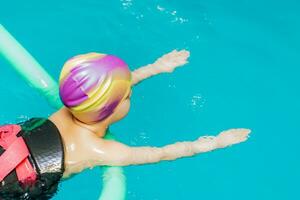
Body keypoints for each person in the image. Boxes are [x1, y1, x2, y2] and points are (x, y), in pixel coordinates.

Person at [0, 50, 250, 199]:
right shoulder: (103, 151)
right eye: (128, 96)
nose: (131, 94)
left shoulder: (68, 107)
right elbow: (162, 153)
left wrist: (156, 68)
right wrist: (214, 142)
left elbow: (109, 91)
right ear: (109, 112)